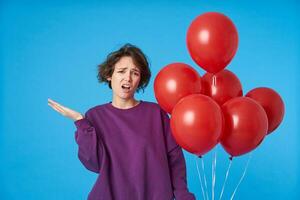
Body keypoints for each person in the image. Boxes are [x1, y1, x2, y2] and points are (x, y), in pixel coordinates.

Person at [48, 44, 195, 200]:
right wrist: (80, 121)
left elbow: (175, 160)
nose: (128, 78)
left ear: (140, 79)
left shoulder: (156, 113)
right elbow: (94, 164)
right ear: (109, 75)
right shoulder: (94, 116)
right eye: (121, 71)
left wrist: (183, 196)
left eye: (135, 73)